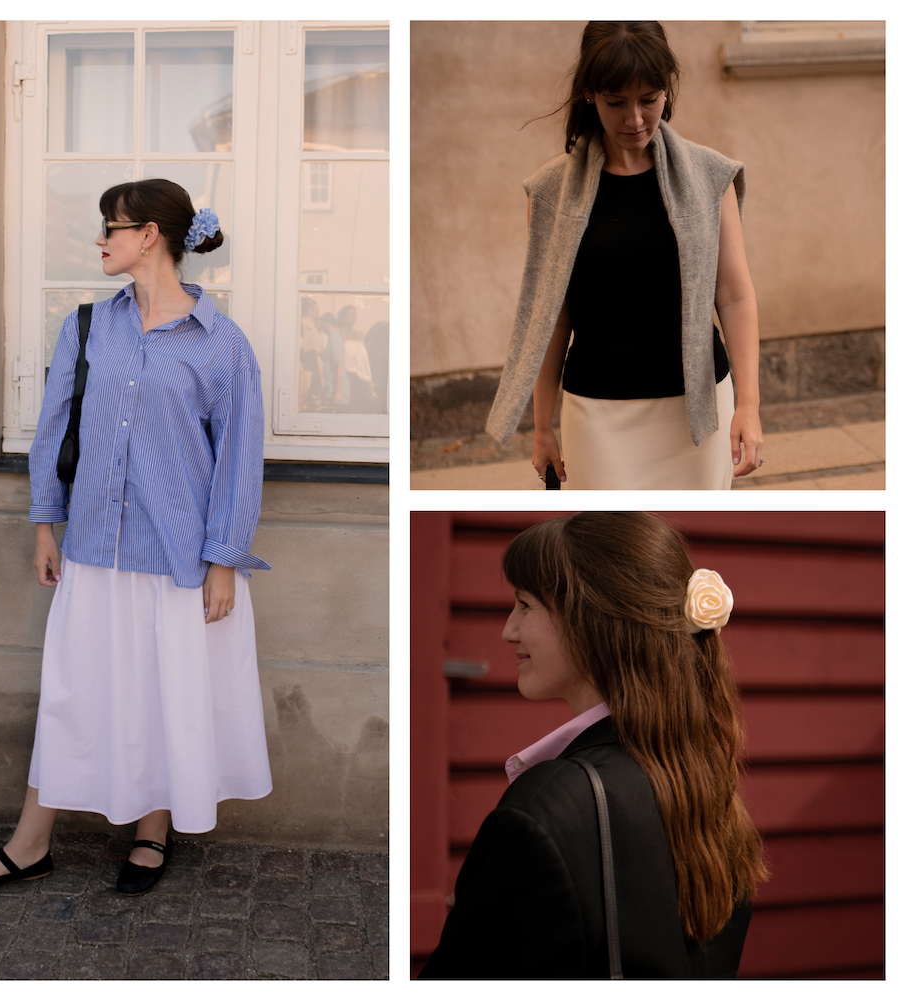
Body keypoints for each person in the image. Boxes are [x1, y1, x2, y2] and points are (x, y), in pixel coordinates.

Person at [0, 179, 272, 898]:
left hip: (180, 559)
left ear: (149, 235)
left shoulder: (221, 345)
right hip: (93, 549)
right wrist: (46, 524)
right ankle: (30, 843)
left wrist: (224, 559)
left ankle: (153, 832)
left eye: (111, 227)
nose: (100, 239)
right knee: (71, 696)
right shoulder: (88, 327)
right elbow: (54, 429)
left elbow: (239, 461)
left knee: (164, 696)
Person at [418, 513, 767, 978]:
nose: (508, 630)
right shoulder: (707, 788)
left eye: (525, 605)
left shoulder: (547, 808)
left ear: (592, 619)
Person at [485, 22, 765, 489]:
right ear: (590, 95)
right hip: (596, 415)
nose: (634, 119)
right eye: (616, 102)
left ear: (666, 91)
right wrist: (542, 426)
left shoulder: (709, 177)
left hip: (698, 413)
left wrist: (749, 406)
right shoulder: (552, 192)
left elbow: (734, 296)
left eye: (648, 100)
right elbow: (551, 314)